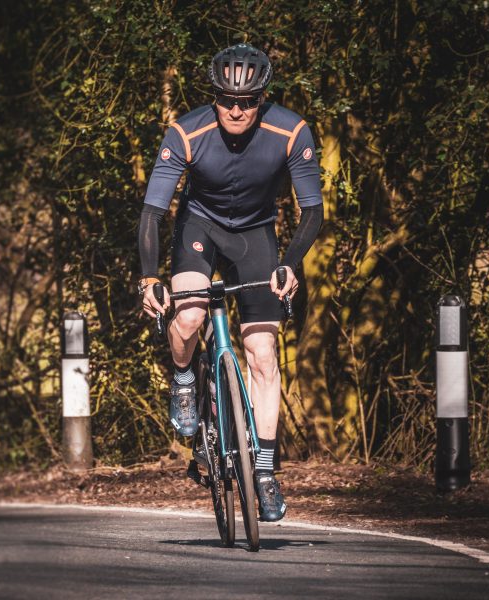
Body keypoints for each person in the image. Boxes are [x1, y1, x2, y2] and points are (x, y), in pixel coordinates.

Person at [137, 43, 323, 522]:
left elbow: (313, 209)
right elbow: (153, 212)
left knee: (263, 356)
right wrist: (148, 279)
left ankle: (263, 471)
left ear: (263, 98)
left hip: (256, 235)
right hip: (198, 228)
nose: (236, 110)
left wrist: (291, 263)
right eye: (226, 99)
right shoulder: (184, 132)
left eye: (248, 101)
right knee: (190, 315)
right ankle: (183, 378)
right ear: (213, 96)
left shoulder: (291, 131)